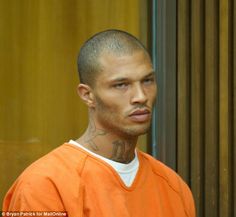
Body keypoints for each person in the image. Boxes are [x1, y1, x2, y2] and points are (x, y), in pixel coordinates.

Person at [3, 29, 196, 217]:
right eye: (121, 85)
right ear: (88, 95)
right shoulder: (44, 185)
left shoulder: (173, 188)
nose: (140, 96)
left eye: (147, 81)